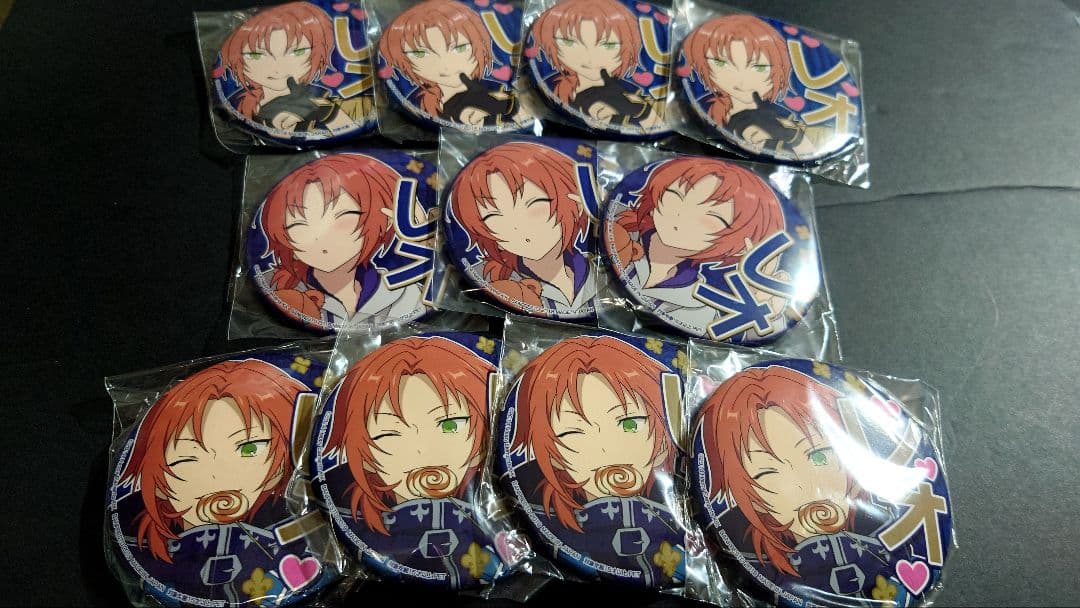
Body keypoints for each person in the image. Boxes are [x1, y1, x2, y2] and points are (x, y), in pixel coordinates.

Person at [320, 336, 500, 587]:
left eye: (449, 425)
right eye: (389, 435)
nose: (421, 450)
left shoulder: (493, 519)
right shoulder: (363, 524)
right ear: (363, 457)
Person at [255, 154, 429, 327]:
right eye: (298, 225)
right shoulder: (274, 286)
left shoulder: (408, 294)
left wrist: (420, 238)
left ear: (387, 219)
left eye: (342, 217)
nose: (321, 240)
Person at [451, 142, 597, 316]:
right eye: (494, 218)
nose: (518, 228)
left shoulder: (600, 271)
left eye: (533, 203)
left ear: (576, 204)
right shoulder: (489, 278)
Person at [379, 0, 520, 127]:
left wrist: (499, 110)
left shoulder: (497, 90)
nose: (445, 66)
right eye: (420, 54)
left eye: (460, 48)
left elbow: (518, 113)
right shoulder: (415, 99)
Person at [220, 2, 356, 132]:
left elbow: (349, 128)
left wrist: (329, 115)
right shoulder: (235, 102)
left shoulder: (322, 101)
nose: (277, 69)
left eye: (298, 52)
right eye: (256, 55)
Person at [530, 0, 663, 129]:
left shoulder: (628, 92)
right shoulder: (550, 84)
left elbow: (658, 125)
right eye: (570, 42)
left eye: (608, 45)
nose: (589, 58)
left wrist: (642, 113)